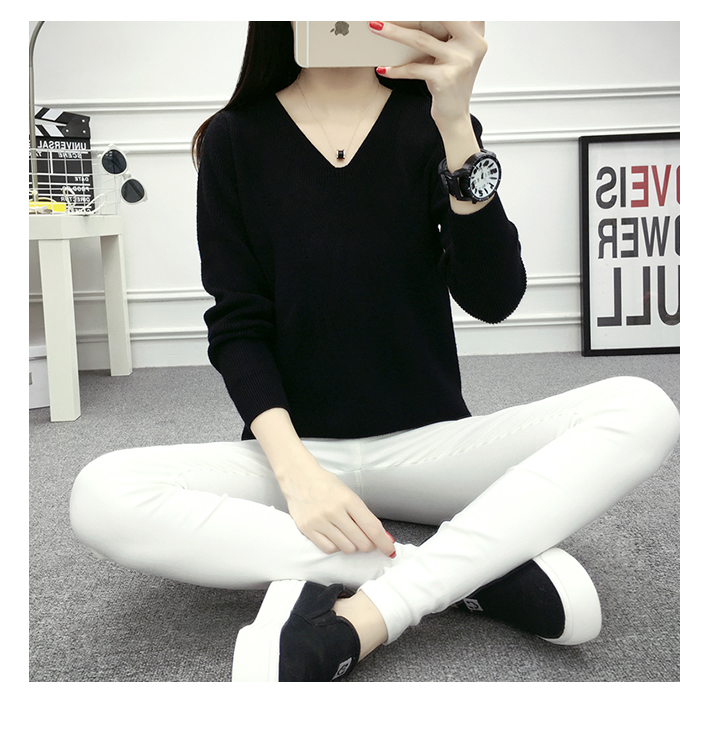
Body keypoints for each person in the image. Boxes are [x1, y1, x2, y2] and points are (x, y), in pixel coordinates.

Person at [70, 22, 680, 682]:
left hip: (431, 447)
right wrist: (299, 476)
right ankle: (463, 572)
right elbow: (237, 324)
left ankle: (379, 607)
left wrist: (456, 123)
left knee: (642, 408)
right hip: (294, 455)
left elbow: (495, 297)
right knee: (100, 493)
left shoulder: (433, 125)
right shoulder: (234, 138)